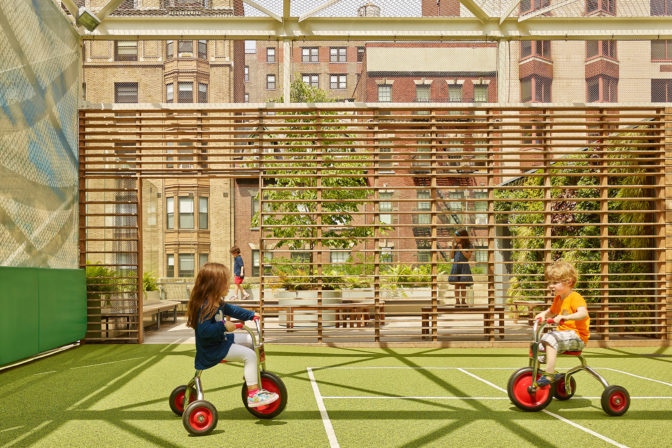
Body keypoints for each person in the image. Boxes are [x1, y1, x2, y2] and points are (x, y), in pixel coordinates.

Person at [186, 262, 278, 408]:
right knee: (250, 355)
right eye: (225, 282)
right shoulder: (204, 307)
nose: (228, 285)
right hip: (212, 350)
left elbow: (234, 310)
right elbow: (204, 332)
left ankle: (251, 375)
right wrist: (223, 326)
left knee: (250, 340)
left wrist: (251, 315)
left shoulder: (217, 303)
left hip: (221, 341)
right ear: (213, 284)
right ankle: (254, 395)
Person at [533, 259, 590, 387]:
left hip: (577, 337)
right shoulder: (558, 299)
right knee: (538, 345)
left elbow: (583, 313)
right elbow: (551, 311)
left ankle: (549, 374)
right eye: (550, 282)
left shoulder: (575, 297)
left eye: (555, 282)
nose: (551, 286)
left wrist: (566, 317)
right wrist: (543, 314)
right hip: (563, 336)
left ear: (568, 282)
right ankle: (537, 373)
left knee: (549, 338)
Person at [448, 229, 473, 306]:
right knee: (456, 284)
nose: (455, 238)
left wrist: (462, 249)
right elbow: (452, 257)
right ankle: (457, 301)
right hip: (456, 266)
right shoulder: (455, 246)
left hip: (464, 266)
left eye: (456, 237)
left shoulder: (469, 246)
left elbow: (468, 256)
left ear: (462, 237)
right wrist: (453, 247)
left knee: (463, 285)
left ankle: (463, 301)